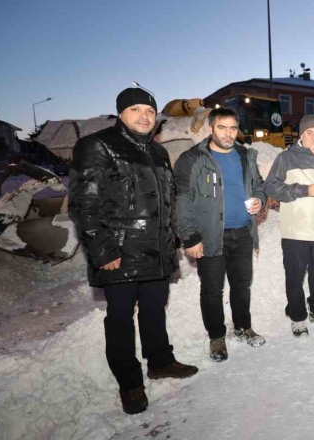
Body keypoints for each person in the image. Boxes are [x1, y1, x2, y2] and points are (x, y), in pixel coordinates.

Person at [68, 87, 197, 414]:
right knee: (121, 320)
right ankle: (130, 383)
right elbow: (85, 202)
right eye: (136, 110)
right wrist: (102, 249)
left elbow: (166, 201)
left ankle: (160, 362)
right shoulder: (97, 146)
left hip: (156, 251)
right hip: (119, 253)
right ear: (121, 114)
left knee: (155, 310)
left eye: (150, 111)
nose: (144, 116)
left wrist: (173, 240)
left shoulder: (157, 152)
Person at [174, 107, 267, 362]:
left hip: (243, 233)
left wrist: (260, 200)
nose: (228, 134)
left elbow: (258, 186)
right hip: (211, 236)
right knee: (212, 290)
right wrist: (189, 237)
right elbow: (182, 200)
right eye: (222, 128)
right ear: (211, 128)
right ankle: (216, 337)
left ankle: (243, 327)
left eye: (233, 128)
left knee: (241, 285)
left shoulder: (245, 156)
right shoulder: (192, 159)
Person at [265, 115, 314, 337]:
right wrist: (303, 190)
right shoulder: (286, 158)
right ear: (301, 135)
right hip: (296, 230)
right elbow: (271, 187)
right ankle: (298, 316)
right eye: (310, 133)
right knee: (295, 275)